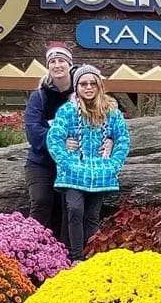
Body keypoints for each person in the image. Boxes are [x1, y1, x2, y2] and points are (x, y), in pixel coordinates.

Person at [46, 65, 130, 262]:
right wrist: (66, 163)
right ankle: (76, 258)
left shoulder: (112, 112)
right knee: (74, 209)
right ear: (77, 87)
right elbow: (54, 139)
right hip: (73, 171)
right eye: (84, 84)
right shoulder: (67, 111)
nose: (89, 87)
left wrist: (113, 164)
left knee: (92, 216)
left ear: (99, 86)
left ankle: (90, 258)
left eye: (93, 83)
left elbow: (123, 140)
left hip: (101, 172)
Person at [23, 42, 75, 241]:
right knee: (42, 200)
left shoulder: (82, 93)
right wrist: (61, 144)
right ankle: (31, 246)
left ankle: (68, 254)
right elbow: (34, 132)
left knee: (71, 206)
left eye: (61, 60)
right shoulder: (39, 96)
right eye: (52, 61)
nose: (57, 65)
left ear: (69, 64)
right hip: (41, 163)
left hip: (73, 164)